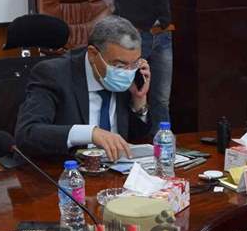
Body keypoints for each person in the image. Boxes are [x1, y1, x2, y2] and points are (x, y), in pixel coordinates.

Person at [15, 15, 152, 160]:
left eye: (134, 63)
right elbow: (27, 134)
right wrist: (90, 133)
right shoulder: (53, 74)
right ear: (93, 54)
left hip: (115, 168)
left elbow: (136, 140)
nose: (127, 72)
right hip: (64, 167)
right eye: (119, 65)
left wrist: (139, 101)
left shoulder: (131, 76)